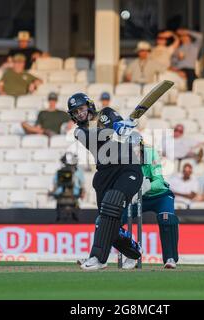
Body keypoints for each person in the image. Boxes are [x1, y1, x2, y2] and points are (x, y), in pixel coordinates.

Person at [67, 92, 144, 270]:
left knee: (111, 205)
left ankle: (98, 259)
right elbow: (97, 138)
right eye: (75, 112)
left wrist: (125, 128)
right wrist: (115, 131)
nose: (79, 113)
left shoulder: (107, 112)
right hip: (104, 174)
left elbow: (121, 130)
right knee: (105, 221)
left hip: (127, 168)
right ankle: (133, 250)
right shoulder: (79, 131)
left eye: (81, 109)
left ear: (89, 105)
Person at [50, 152, 85, 222]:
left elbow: (55, 187)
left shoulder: (60, 172)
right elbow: (82, 186)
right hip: (71, 197)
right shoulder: (78, 172)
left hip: (67, 197)